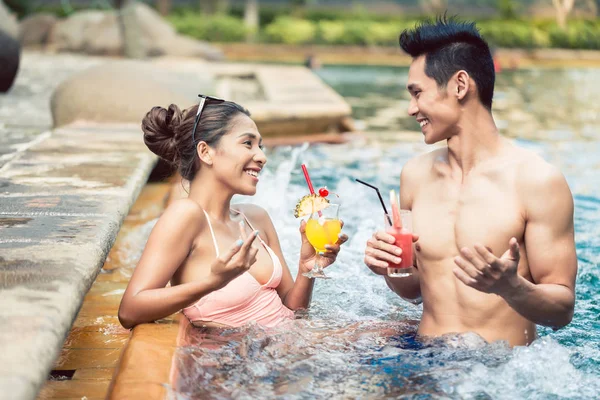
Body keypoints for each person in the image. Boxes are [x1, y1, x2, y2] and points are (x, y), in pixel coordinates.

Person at [363, 17, 577, 347]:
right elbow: (415, 290)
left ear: (460, 85)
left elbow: (561, 312)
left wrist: (511, 287)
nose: (411, 109)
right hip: (423, 356)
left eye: (418, 93)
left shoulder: (537, 180)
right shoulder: (414, 176)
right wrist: (390, 268)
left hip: (496, 372)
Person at [118, 96, 348, 330]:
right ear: (206, 152)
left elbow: (293, 311)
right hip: (255, 357)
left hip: (292, 348)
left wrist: (306, 269)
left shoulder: (256, 217)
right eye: (248, 143)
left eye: (260, 146)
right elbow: (129, 310)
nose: (261, 156)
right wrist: (213, 282)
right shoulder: (185, 215)